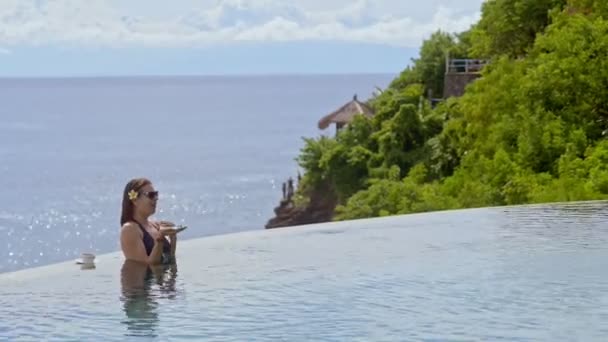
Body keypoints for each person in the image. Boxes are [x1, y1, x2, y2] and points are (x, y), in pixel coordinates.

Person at [120, 177, 177, 265]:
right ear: (135, 200)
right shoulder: (129, 230)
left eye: (156, 194)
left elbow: (169, 260)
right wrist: (160, 238)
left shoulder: (155, 226)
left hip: (163, 278)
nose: (156, 198)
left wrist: (173, 237)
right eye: (151, 195)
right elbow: (147, 265)